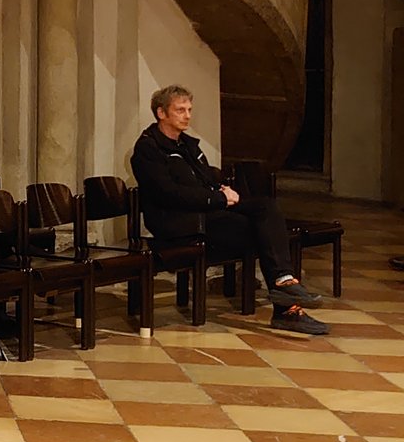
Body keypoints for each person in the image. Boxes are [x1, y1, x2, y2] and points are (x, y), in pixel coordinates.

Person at [133, 85, 328, 335]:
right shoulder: (148, 149)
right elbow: (168, 193)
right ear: (161, 113)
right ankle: (286, 308)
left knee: (266, 208)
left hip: (208, 212)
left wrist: (221, 190)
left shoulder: (187, 145)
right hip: (179, 222)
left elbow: (204, 178)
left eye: (189, 110)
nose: (187, 115)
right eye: (180, 110)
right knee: (262, 233)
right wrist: (217, 198)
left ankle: (284, 282)